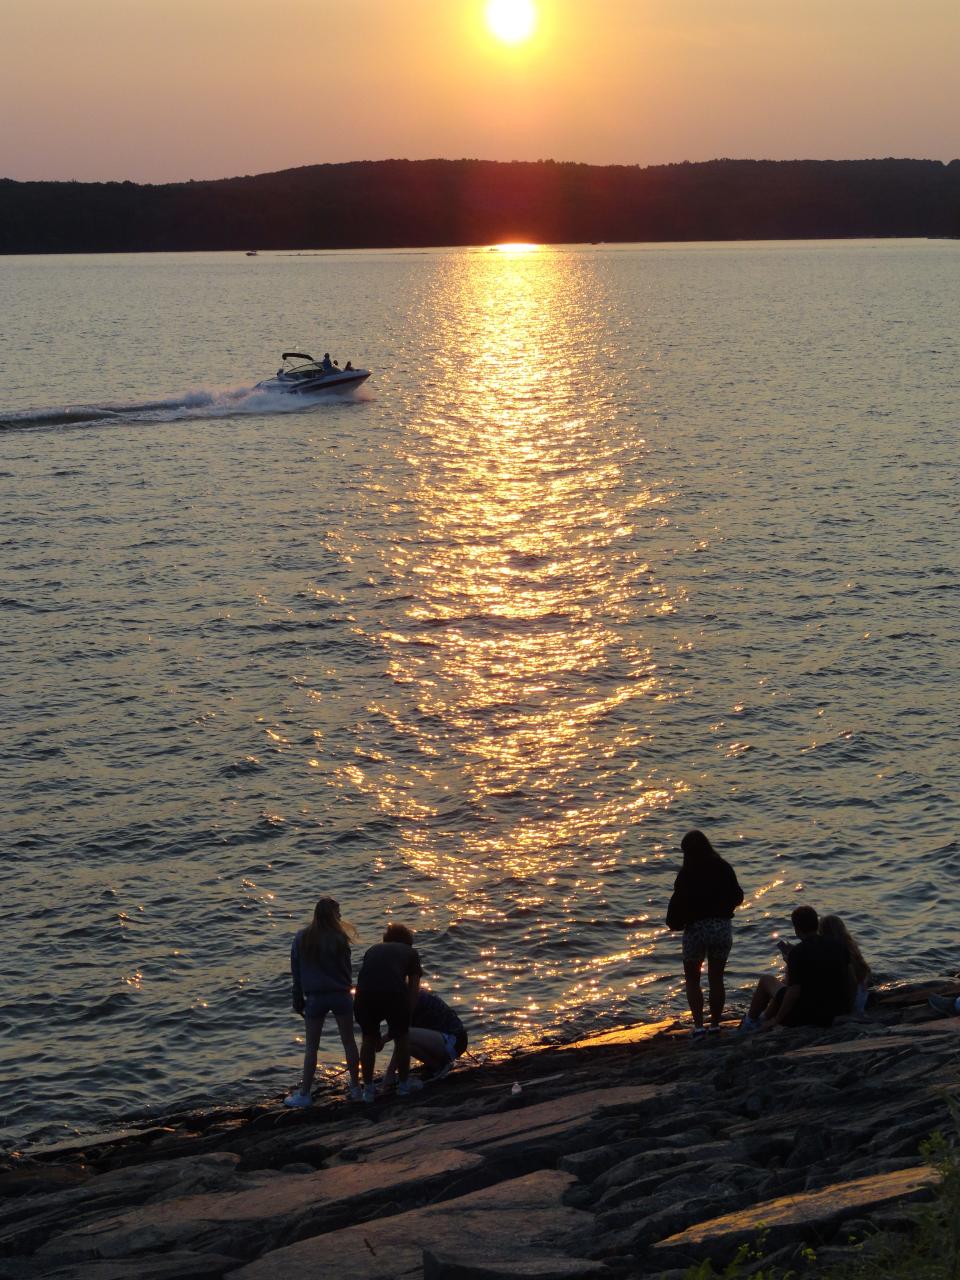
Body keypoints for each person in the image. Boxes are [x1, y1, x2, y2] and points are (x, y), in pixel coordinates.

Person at [666, 830, 744, 1035]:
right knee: (716, 978)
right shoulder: (723, 867)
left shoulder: (687, 873)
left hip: (697, 930)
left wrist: (675, 922)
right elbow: (738, 896)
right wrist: (724, 910)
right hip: (721, 928)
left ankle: (699, 1027)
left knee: (692, 979)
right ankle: (716, 1024)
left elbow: (677, 903)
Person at [285, 897, 361, 1107]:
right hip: (340, 994)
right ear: (332, 915)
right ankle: (355, 1087)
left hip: (315, 997)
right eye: (339, 913)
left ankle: (305, 1094)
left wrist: (297, 998)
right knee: (348, 1042)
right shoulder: (339, 938)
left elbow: (296, 971)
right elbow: (346, 969)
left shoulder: (302, 937)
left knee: (312, 1047)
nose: (341, 917)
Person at [742, 905, 850, 1030]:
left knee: (766, 980)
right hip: (834, 1010)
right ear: (816, 923)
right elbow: (848, 978)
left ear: (796, 929)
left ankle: (750, 1022)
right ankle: (764, 1017)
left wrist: (777, 1020)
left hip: (805, 1015)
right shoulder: (838, 946)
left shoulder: (797, 952)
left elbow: (793, 992)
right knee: (783, 987)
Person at [354, 923, 423, 1102]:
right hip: (393, 993)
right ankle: (403, 1086)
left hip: (364, 994)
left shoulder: (373, 949)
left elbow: (368, 975)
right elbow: (414, 988)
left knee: (368, 1039)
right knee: (402, 1038)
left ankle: (368, 1090)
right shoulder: (411, 952)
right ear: (407, 942)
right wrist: (408, 1014)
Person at [381, 988, 468, 1087]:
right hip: (444, 1041)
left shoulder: (412, 1000)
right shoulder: (404, 1000)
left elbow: (401, 1031)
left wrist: (382, 1040)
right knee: (406, 1044)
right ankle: (437, 1066)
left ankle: (389, 1076)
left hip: (455, 1040)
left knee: (404, 1035)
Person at [819, 914, 870, 1014]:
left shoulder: (832, 951)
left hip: (850, 1002)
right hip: (862, 997)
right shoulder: (851, 947)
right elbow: (866, 970)